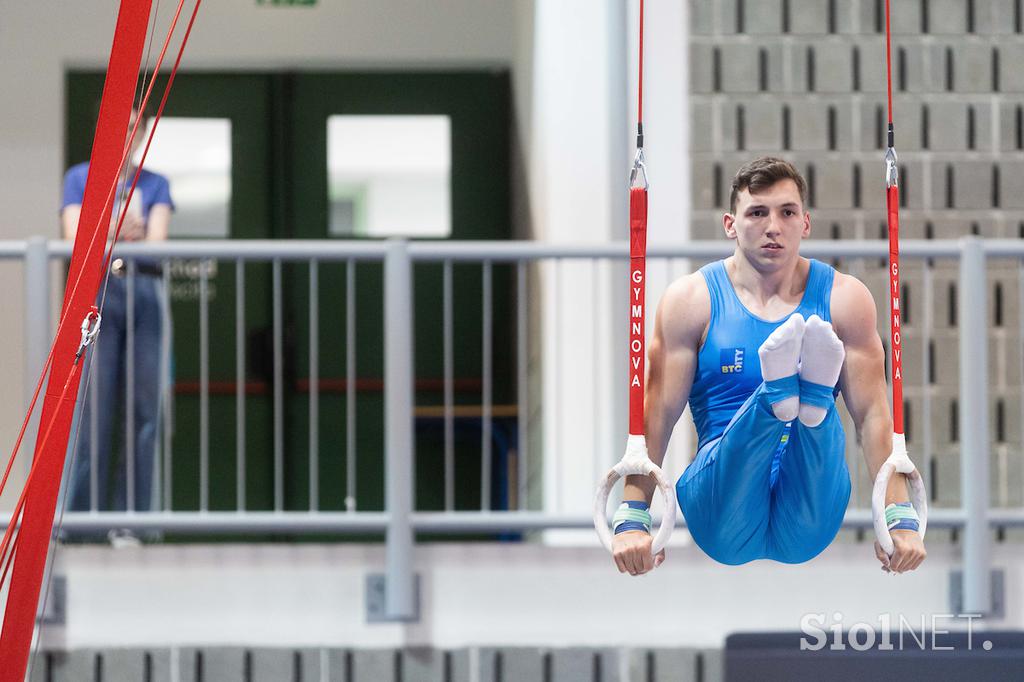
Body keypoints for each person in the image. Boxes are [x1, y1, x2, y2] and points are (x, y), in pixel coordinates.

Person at [611, 157, 926, 575]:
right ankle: (784, 395)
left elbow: (872, 416)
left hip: (808, 512)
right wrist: (633, 515)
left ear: (806, 223)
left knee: (819, 432)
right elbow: (658, 416)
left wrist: (899, 515)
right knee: (783, 427)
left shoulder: (846, 300)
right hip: (723, 507)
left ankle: (805, 401)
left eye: (787, 212)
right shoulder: (691, 302)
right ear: (730, 224)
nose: (772, 226)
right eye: (757, 212)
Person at [62, 105, 173, 518]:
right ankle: (80, 520)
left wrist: (106, 229)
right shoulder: (80, 177)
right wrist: (124, 230)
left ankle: (132, 522)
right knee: (93, 410)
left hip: (143, 292)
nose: (126, 134)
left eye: (134, 127)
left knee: (143, 412)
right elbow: (76, 238)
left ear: (142, 132)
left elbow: (158, 243)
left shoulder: (157, 182)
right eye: (119, 126)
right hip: (99, 294)